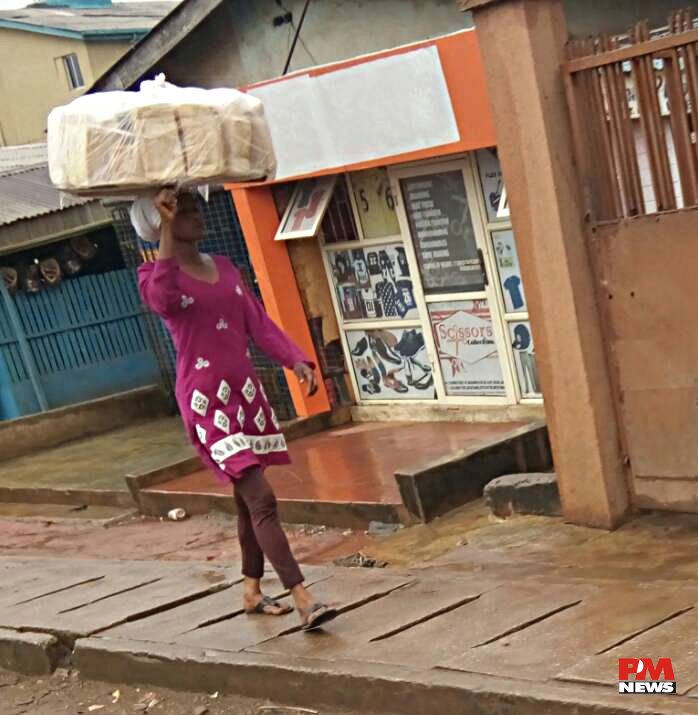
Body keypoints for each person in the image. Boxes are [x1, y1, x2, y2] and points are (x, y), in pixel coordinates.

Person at [135, 188, 337, 631]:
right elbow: (165, 299)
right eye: (182, 212)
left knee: (248, 503)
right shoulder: (154, 276)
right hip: (207, 405)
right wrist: (167, 228)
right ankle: (303, 597)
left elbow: (257, 323)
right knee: (261, 496)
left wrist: (295, 358)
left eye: (194, 209)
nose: (196, 216)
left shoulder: (225, 269)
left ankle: (251, 589)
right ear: (160, 223)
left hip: (245, 399)